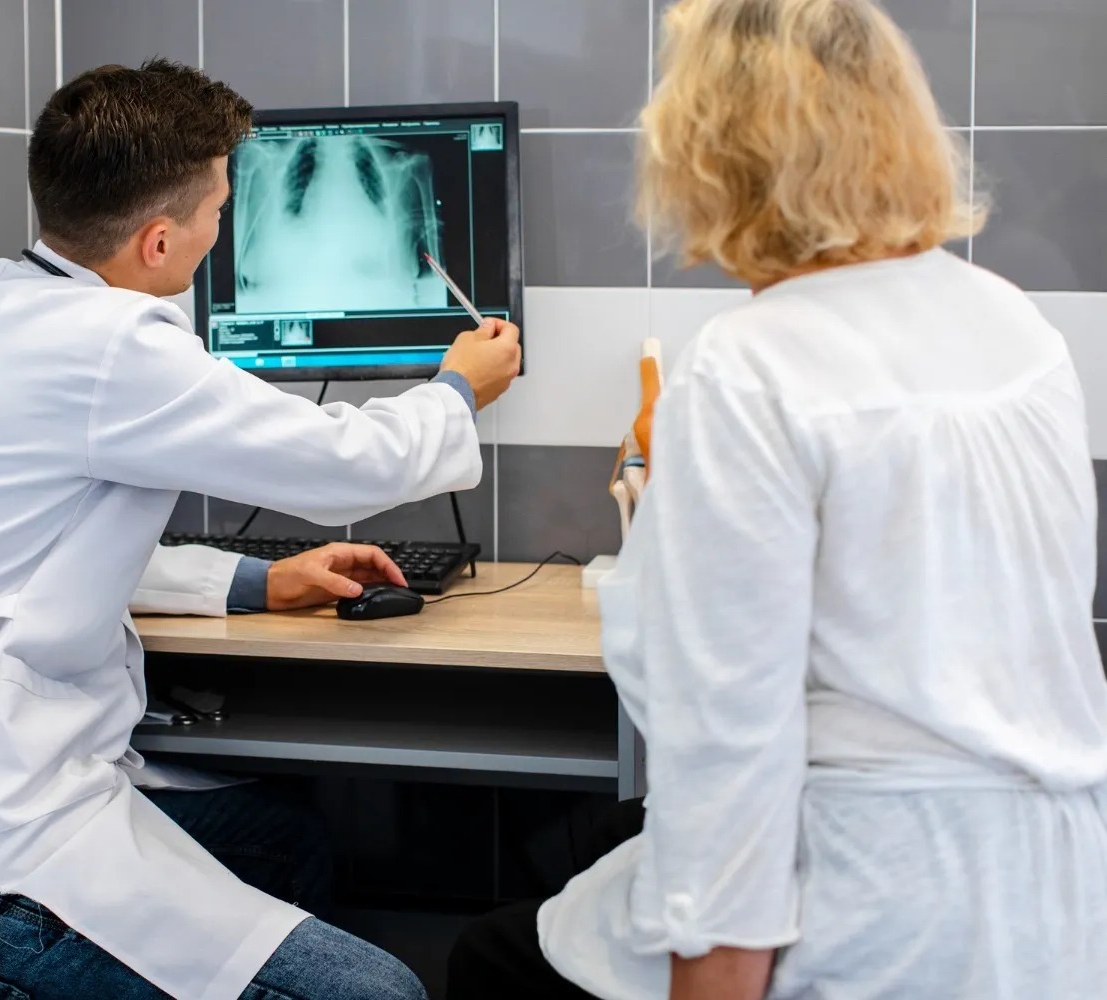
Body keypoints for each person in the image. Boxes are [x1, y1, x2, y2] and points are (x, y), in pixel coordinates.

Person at [0, 60, 521, 1000]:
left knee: (283, 844)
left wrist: (259, 582)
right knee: (380, 994)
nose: (222, 229)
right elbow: (347, 465)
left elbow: (25, 558)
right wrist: (460, 388)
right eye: (219, 208)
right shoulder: (111, 343)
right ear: (160, 240)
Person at [448, 1, 1107, 998]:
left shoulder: (750, 366)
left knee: (491, 956)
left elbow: (726, 756)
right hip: (1050, 907)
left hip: (865, 906)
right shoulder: (1016, 325)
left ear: (708, 154)